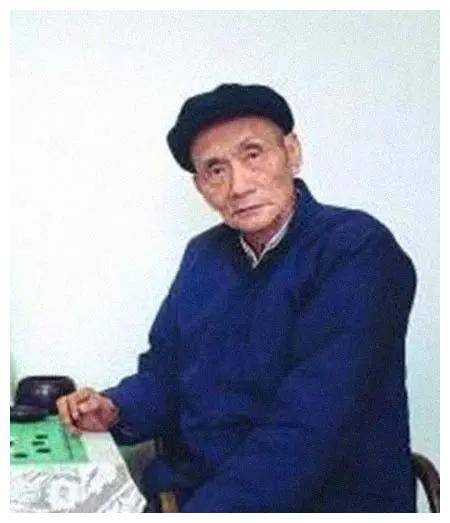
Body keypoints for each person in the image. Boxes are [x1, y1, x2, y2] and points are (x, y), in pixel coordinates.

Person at [56, 83, 417, 512]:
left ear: (292, 152)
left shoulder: (357, 250)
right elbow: (167, 374)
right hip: (201, 490)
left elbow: (310, 427)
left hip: (325, 500)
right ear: (200, 186)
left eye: (253, 155)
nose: (239, 186)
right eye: (215, 170)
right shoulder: (203, 255)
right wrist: (115, 408)